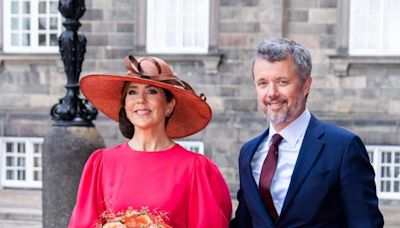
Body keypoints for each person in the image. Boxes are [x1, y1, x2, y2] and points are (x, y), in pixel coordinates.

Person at [230, 38, 384, 227]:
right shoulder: (249, 152)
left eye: (282, 82)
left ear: (306, 85)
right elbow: (244, 223)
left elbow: (365, 223)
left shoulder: (343, 147)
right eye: (262, 83)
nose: (271, 93)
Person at [69, 55, 232, 228]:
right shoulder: (101, 163)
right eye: (132, 92)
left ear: (169, 105)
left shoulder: (196, 169)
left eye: (151, 91)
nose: (140, 100)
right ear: (124, 104)